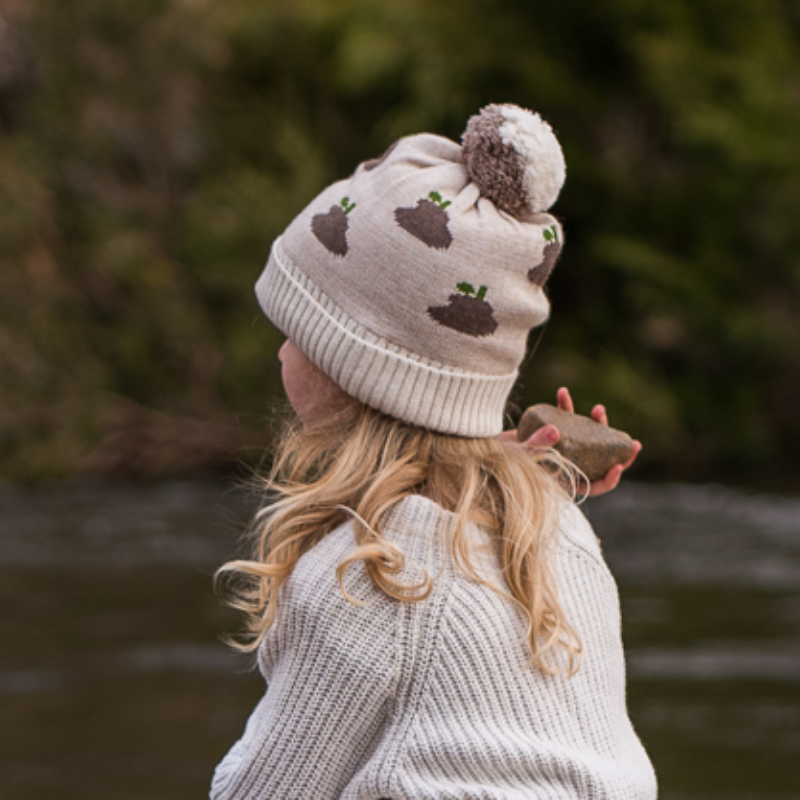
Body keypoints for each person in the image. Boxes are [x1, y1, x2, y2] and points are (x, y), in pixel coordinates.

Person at [210, 103, 657, 799]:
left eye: (297, 328)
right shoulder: (559, 533)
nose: (279, 348)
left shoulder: (367, 575)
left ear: (358, 368)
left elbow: (267, 789)